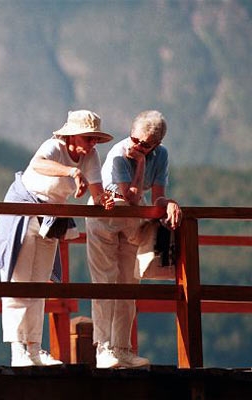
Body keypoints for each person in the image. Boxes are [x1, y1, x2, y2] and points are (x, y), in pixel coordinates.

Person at [0, 110, 115, 366]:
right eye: (88, 138)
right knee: (18, 281)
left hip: (51, 217)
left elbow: (97, 190)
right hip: (24, 211)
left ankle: (34, 349)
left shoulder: (90, 156)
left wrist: (104, 199)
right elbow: (38, 164)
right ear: (72, 136)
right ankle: (17, 351)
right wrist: (72, 172)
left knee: (38, 283)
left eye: (95, 139)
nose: (92, 144)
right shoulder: (53, 146)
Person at [86, 110, 182, 369]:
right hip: (105, 218)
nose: (136, 146)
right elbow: (130, 196)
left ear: (157, 144)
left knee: (129, 283)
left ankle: (122, 348)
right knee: (105, 282)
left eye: (145, 144)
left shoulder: (161, 155)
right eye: (135, 139)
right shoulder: (119, 153)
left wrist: (169, 203)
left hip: (131, 220)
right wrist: (140, 162)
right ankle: (103, 349)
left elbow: (156, 198)